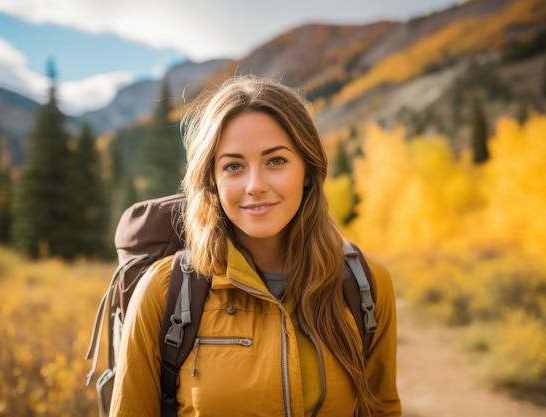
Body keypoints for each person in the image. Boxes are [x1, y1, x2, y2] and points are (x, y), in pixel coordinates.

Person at [109, 75, 401, 417]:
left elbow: (381, 409)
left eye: (276, 161)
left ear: (307, 169)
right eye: (233, 166)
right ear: (212, 181)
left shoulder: (365, 282)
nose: (255, 185)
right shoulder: (163, 291)